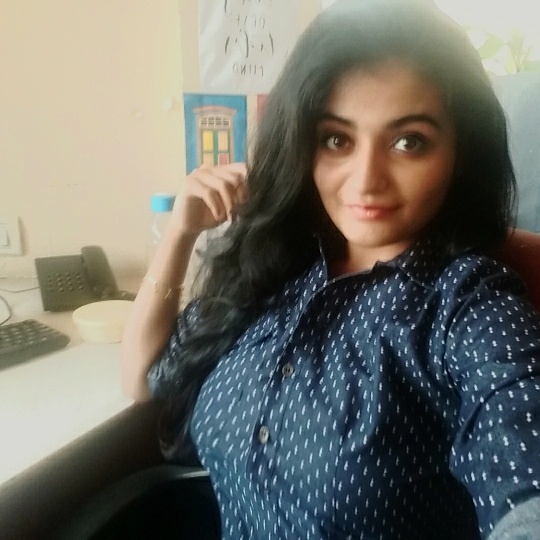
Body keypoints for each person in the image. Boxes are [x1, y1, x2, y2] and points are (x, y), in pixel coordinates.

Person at [121, 0, 540, 538]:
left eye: (408, 142)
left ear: (461, 153)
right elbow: (142, 379)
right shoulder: (276, 265)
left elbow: (523, 472)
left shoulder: (466, 306)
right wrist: (181, 233)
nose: (366, 180)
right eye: (337, 139)